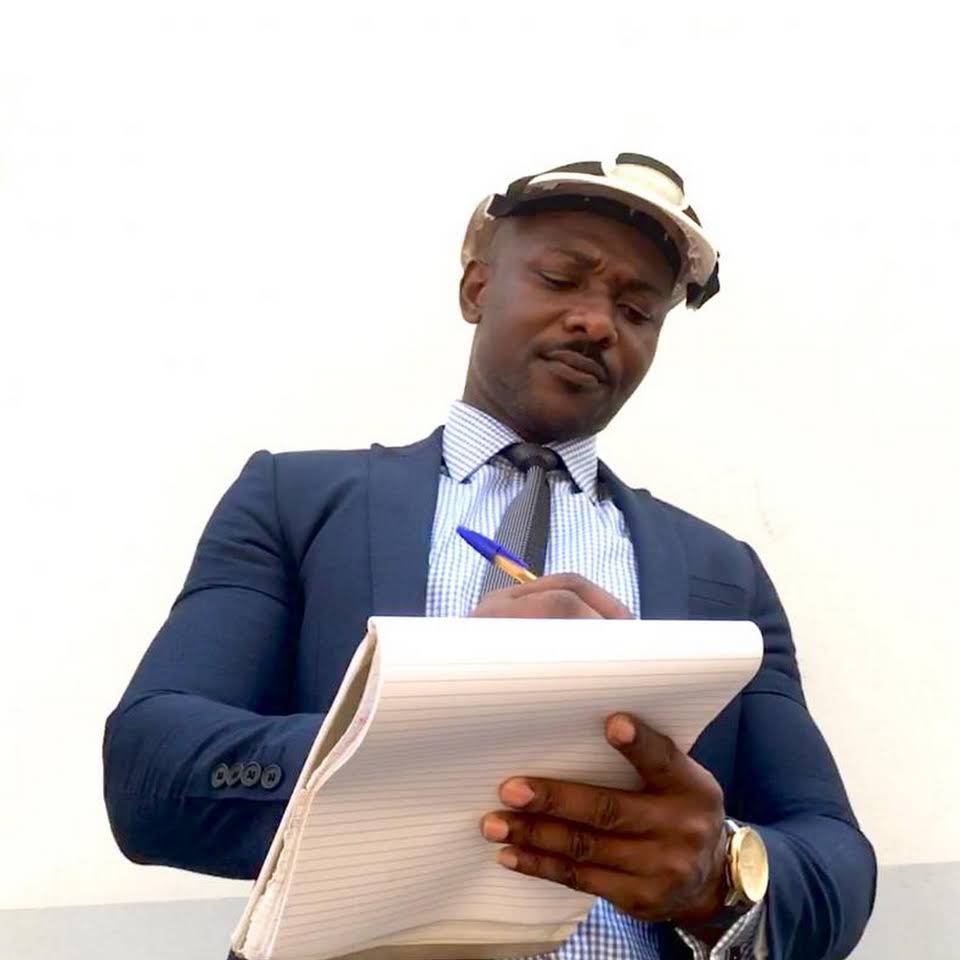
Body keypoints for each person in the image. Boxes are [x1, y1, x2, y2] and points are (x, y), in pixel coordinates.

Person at [103, 154, 876, 960]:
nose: (597, 323)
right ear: (476, 289)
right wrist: (421, 728)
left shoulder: (725, 574)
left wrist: (718, 873)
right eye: (561, 278)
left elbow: (836, 858)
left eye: (637, 310)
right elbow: (148, 771)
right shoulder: (293, 502)